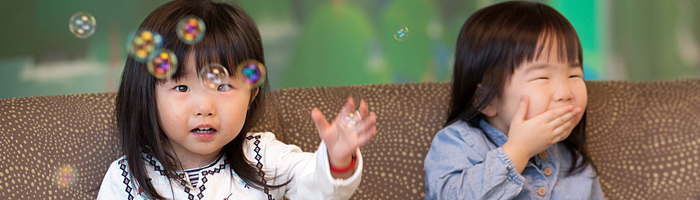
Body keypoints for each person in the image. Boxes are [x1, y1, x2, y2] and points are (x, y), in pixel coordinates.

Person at [97, 0, 377, 199]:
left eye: (223, 87)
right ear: (148, 95)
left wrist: (337, 158)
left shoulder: (264, 157)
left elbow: (317, 188)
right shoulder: (126, 179)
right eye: (181, 88)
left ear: (251, 93)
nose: (204, 108)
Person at [424, 1, 604, 199]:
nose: (565, 92)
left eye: (574, 75)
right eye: (542, 77)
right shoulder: (458, 142)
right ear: (487, 100)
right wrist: (518, 150)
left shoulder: (576, 164)